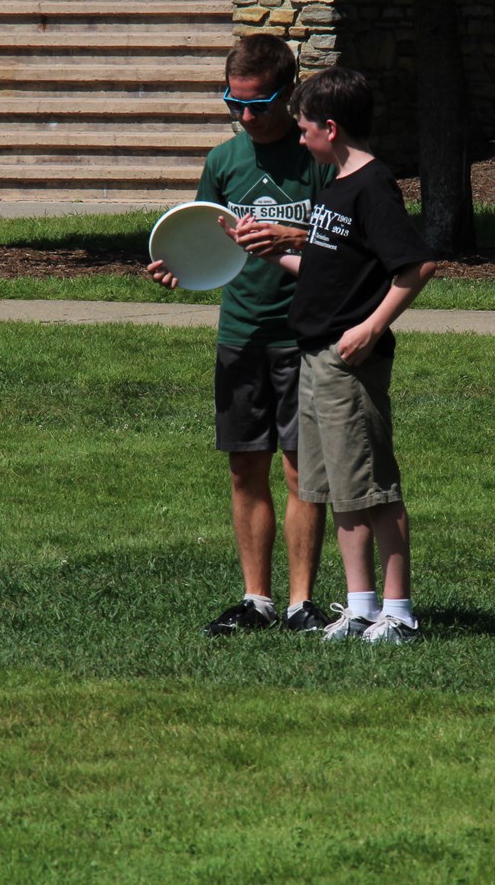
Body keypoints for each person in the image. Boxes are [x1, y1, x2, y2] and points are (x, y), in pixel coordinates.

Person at [238, 66, 437, 645]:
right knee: (339, 490)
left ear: (330, 128)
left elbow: (418, 265)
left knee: (373, 489)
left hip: (348, 361)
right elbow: (326, 268)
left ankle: (398, 615)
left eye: (304, 130)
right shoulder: (336, 186)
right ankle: (361, 607)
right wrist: (264, 249)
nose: (300, 140)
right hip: (316, 355)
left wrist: (371, 328)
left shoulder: (372, 186)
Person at [146, 35, 334, 635]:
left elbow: (350, 245)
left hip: (303, 337)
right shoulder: (224, 161)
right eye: (235, 103)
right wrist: (178, 268)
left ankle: (302, 603)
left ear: (289, 93)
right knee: (244, 468)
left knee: (303, 472)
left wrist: (296, 236)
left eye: (258, 104)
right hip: (241, 334)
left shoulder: (317, 158)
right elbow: (202, 238)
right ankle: (257, 601)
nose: (246, 116)